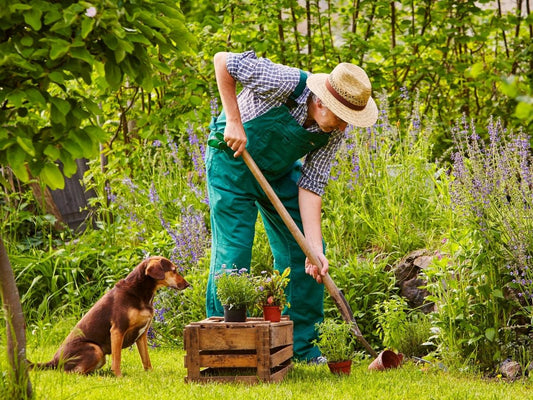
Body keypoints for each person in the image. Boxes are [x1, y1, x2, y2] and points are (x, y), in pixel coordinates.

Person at [205, 50, 378, 362]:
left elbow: (312, 185)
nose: (342, 128)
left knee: (308, 254)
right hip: (231, 162)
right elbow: (222, 61)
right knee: (234, 254)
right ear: (322, 101)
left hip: (277, 172)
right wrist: (233, 121)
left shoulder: (332, 132)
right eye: (341, 118)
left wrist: (314, 247)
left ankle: (299, 347)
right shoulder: (286, 82)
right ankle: (223, 345)